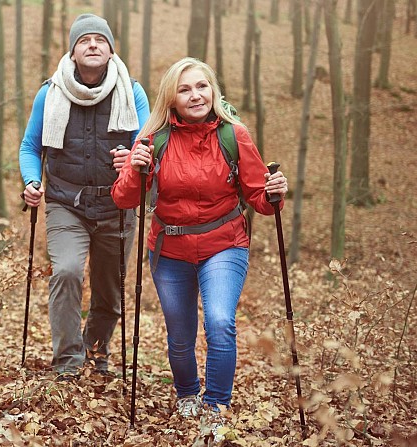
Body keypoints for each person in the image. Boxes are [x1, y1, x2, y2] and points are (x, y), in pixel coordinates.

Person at [111, 57, 288, 436]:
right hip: (169, 250)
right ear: (171, 98)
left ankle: (215, 404)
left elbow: (259, 198)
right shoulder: (153, 139)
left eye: (202, 87)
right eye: (185, 89)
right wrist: (135, 168)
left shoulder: (234, 135)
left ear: (214, 91)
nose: (195, 96)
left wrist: (274, 194)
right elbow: (125, 200)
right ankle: (187, 394)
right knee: (180, 334)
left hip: (224, 243)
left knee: (221, 321)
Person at [18, 14, 150, 381]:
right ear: (73, 52)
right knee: (67, 271)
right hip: (66, 202)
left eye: (100, 40)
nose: (93, 45)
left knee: (110, 290)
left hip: (118, 205)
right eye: (84, 40)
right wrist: (31, 181)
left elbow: (149, 144)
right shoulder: (51, 92)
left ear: (110, 50)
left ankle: (96, 349)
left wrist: (135, 160)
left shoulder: (132, 91)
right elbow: (30, 147)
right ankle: (68, 361)